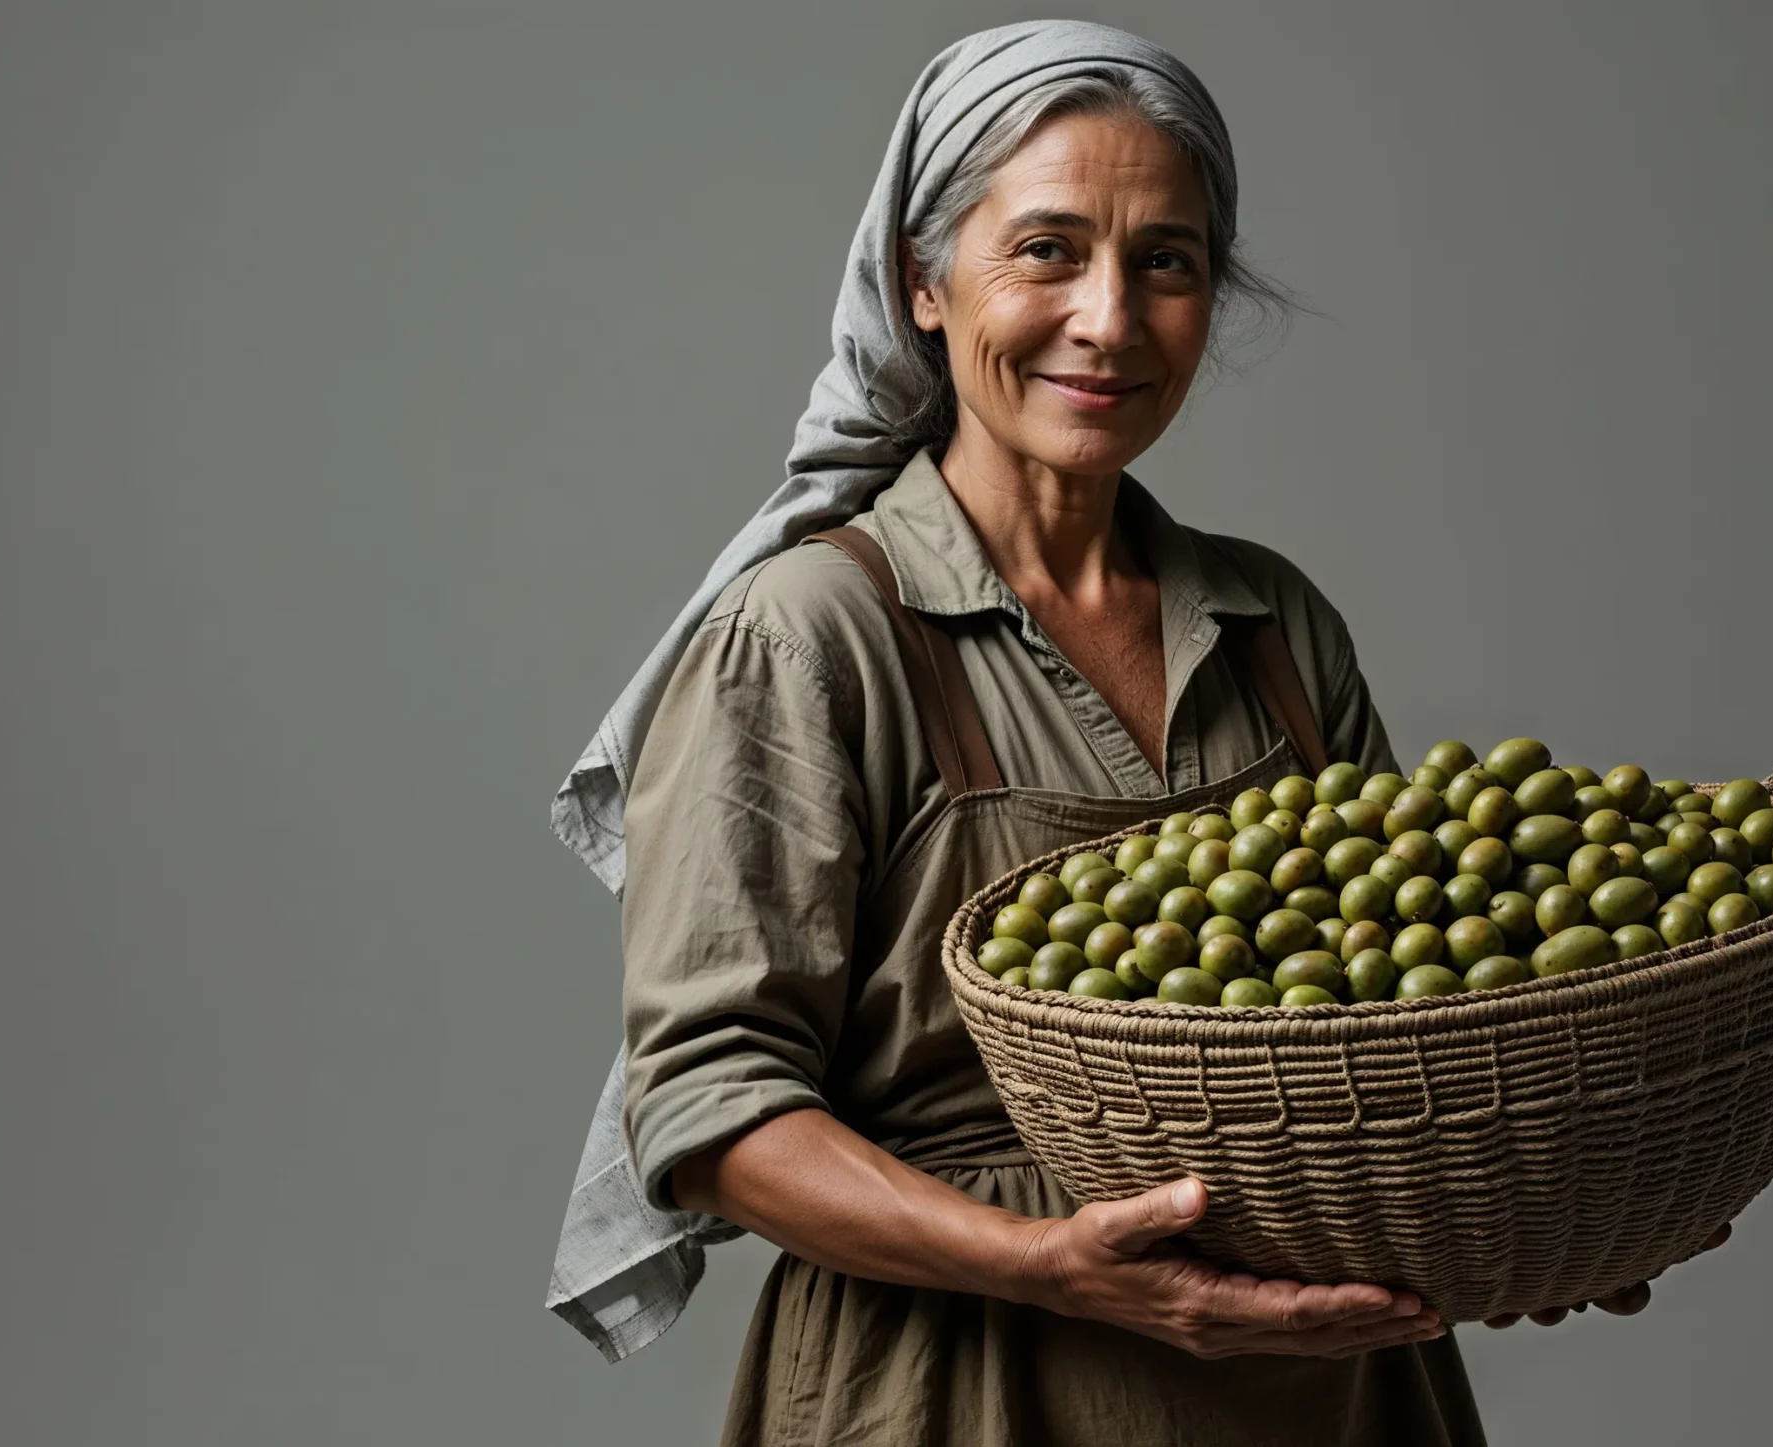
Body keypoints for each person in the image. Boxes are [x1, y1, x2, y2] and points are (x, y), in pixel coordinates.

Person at [542, 21, 1713, 1444]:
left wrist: (1533, 1215)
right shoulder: (809, 635)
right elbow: (711, 1115)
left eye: (1167, 261)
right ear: (922, 282)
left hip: (1324, 1392)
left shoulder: (1275, 623)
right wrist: (1048, 1261)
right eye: (1046, 250)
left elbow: (1404, 1041)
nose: (1108, 318)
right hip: (963, 1383)